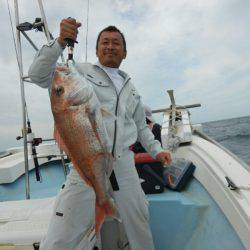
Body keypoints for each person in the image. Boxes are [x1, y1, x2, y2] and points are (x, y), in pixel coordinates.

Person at [28, 18, 171, 250]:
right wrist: (60, 43)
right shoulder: (78, 72)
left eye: (116, 43)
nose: (110, 46)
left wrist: (157, 150)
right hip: (85, 164)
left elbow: (141, 127)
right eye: (105, 42)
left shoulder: (130, 88)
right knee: (60, 237)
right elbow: (37, 75)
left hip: (124, 165)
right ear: (96, 50)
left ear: (124, 53)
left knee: (139, 225)